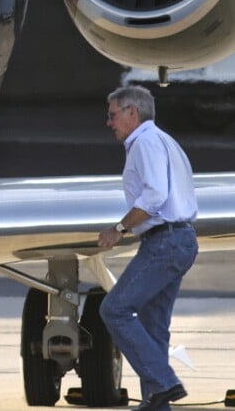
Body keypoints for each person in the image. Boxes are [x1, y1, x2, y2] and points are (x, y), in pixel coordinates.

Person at [98, 86, 198, 410]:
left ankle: (164, 384)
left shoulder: (144, 143)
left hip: (165, 242)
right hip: (179, 240)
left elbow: (155, 197)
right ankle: (158, 401)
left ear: (132, 113)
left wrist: (118, 229)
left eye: (113, 115)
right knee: (154, 331)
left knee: (114, 309)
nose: (109, 122)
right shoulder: (165, 141)